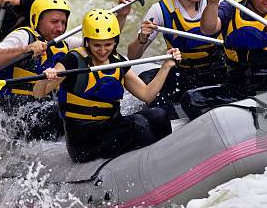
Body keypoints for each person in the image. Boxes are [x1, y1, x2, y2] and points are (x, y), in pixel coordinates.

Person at [33, 9, 181, 163]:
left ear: (116, 41)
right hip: (83, 139)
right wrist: (48, 78)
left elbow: (147, 94)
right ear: (87, 41)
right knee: (138, 125)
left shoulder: (118, 61)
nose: (103, 51)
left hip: (110, 126)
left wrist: (166, 66)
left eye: (108, 44)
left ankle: (167, 160)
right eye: (97, 45)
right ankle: (155, 162)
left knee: (159, 115)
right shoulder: (73, 60)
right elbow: (38, 92)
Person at [127, 0, 226, 120]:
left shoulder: (216, 3)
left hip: (216, 71)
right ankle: (172, 123)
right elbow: (132, 56)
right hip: (184, 73)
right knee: (146, 80)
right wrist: (142, 38)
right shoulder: (160, 10)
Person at [0, 0, 77, 140]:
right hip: (16, 112)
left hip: (45, 106)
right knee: (61, 112)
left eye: (63, 22)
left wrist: (122, 15)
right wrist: (25, 50)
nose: (60, 28)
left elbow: (99, 46)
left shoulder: (64, 41)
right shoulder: (23, 36)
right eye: (54, 22)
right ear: (36, 20)